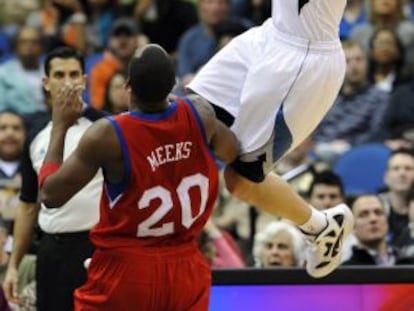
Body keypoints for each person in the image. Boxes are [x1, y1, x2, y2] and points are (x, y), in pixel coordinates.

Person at [38, 44, 239, 310]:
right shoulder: (200, 114)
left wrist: (60, 126)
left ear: (128, 86)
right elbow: (233, 151)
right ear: (172, 85)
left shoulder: (107, 135)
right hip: (186, 263)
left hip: (127, 269)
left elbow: (50, 195)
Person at [187, 0, 354, 278]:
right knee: (189, 120)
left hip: (302, 61)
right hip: (270, 36)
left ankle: (320, 227)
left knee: (241, 180)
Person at [3, 47, 106, 311]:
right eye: (59, 75)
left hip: (97, 247)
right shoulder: (36, 134)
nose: (68, 82)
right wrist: (14, 265)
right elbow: (27, 205)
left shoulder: (106, 127)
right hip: (51, 250)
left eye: (74, 74)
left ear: (84, 79)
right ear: (46, 83)